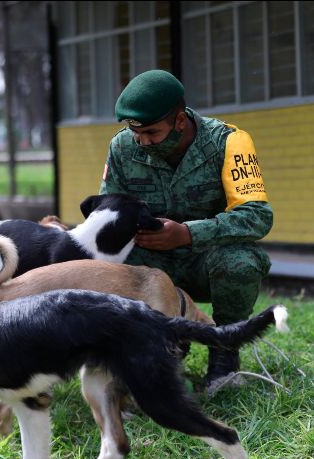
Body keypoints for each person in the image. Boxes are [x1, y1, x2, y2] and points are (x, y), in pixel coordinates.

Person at [99, 69, 273, 393]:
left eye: (152, 132)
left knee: (241, 263)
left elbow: (257, 216)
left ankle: (224, 355)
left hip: (206, 262)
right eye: (136, 133)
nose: (143, 142)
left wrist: (188, 234)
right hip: (151, 264)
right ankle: (163, 348)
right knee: (108, 267)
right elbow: (108, 211)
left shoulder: (229, 141)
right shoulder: (123, 148)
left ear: (179, 121)